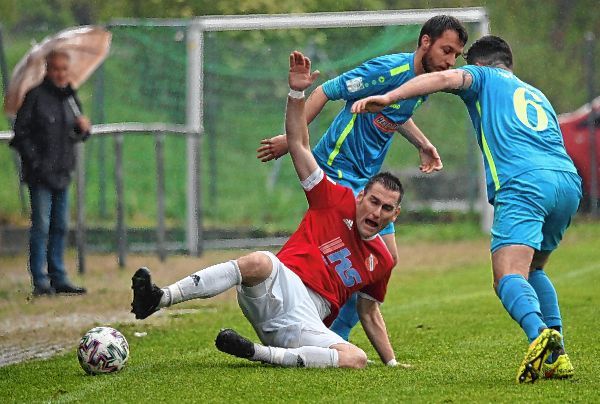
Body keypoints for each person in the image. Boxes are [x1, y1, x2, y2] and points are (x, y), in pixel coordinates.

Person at [131, 51, 404, 369]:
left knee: (356, 359)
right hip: (278, 286)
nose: (377, 211)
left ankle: (258, 353)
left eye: (386, 208)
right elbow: (299, 144)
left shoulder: (382, 261)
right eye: (373, 201)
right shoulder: (333, 199)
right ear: (360, 198)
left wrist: (392, 364)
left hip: (307, 320)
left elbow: (369, 312)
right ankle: (159, 298)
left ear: (394, 215)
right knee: (260, 261)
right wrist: (297, 93)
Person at [351, 35, 582, 383]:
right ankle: (558, 356)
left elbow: (444, 79)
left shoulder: (482, 77)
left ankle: (540, 336)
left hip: (525, 182)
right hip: (566, 181)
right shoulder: (535, 93)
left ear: (476, 65)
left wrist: (391, 96)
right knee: (534, 269)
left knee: (508, 276)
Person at [257, 15, 468, 341]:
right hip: (338, 167)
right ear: (425, 42)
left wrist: (423, 143)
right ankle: (303, 319)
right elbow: (327, 90)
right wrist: (291, 139)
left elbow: (394, 114)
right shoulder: (388, 71)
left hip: (365, 178)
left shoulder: (423, 81)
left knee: (386, 259)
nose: (450, 61)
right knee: (355, 254)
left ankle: (332, 333)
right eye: (446, 50)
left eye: (456, 55)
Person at [10, 49, 91, 296]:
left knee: (60, 226)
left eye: (64, 70)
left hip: (63, 172)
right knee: (42, 226)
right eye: (56, 69)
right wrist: (36, 163)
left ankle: (59, 276)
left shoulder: (71, 98)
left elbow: (76, 134)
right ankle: (40, 279)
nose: (60, 74)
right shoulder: (34, 97)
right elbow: (20, 136)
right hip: (40, 175)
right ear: (47, 69)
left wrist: (84, 129)